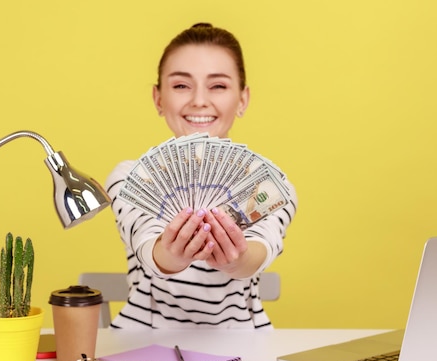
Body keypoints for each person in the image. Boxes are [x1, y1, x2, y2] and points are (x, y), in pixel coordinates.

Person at [105, 23, 297, 329]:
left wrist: (236, 260)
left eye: (218, 86)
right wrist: (171, 255)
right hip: (141, 346)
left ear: (242, 99)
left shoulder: (269, 182)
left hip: (244, 349)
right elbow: (146, 246)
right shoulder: (131, 177)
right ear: (158, 98)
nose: (198, 100)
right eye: (181, 85)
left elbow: (262, 248)